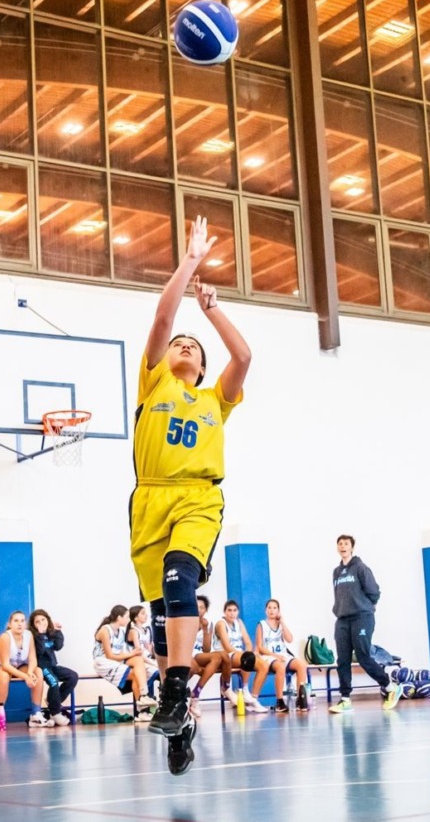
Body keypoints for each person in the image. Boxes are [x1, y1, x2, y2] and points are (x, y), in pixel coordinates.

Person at [129, 215, 250, 775]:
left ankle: (176, 689)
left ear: (201, 368)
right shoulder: (153, 380)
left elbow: (244, 358)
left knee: (181, 575)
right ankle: (180, 720)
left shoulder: (214, 401)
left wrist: (212, 310)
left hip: (198, 498)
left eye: (191, 347)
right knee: (160, 613)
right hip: (149, 500)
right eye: (177, 343)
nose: (181, 345)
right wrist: (190, 262)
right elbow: (160, 315)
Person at [328, 535, 400, 712]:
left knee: (363, 656)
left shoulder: (360, 568)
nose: (342, 546)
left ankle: (391, 687)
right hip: (342, 620)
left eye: (346, 544)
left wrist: (366, 608)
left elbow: (374, 592)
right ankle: (345, 700)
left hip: (361, 618)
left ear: (352, 547)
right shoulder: (336, 572)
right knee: (342, 660)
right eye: (340, 544)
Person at [91, 605, 154, 713]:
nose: (129, 620)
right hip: (103, 662)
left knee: (138, 661)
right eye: (127, 617)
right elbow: (109, 655)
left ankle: (143, 697)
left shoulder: (122, 631)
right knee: (135, 674)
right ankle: (142, 706)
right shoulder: (105, 630)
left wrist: (139, 652)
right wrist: (131, 653)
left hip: (116, 659)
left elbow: (125, 652)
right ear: (119, 618)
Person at [0, 610, 39, 729]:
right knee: (4, 675)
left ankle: (36, 714)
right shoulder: (5, 637)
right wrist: (25, 677)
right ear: (10, 624)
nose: (19, 624)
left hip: (17, 666)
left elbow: (33, 659)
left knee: (38, 672)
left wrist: (30, 673)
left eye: (22, 621)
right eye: (16, 621)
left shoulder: (29, 635)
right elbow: (5, 665)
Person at [213, 600, 270, 712]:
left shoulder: (239, 622)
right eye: (229, 610)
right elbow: (227, 646)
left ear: (238, 612)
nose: (232, 613)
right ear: (224, 612)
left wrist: (248, 653)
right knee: (248, 658)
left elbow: (248, 642)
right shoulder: (221, 624)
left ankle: (253, 699)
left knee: (264, 665)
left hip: (239, 655)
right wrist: (246, 655)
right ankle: (244, 688)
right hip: (225, 655)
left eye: (234, 610)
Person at [257, 598, 310, 711]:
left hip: (282, 655)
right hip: (268, 656)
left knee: (301, 665)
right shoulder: (261, 625)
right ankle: (280, 701)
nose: (272, 610)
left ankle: (300, 697)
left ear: (278, 611)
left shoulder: (281, 625)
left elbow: (290, 639)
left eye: (274, 608)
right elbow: (260, 648)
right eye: (269, 608)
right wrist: (275, 656)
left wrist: (282, 622)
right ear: (265, 610)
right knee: (280, 666)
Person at [30, 609, 77, 726]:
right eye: (37, 622)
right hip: (42, 667)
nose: (41, 623)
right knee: (54, 682)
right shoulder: (34, 636)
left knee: (73, 676)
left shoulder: (50, 633)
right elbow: (39, 651)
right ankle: (55, 712)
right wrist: (40, 634)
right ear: (33, 625)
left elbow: (58, 646)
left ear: (48, 620)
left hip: (53, 665)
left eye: (43, 620)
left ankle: (53, 702)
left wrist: (58, 631)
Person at [188, 594, 231, 717]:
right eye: (197, 606)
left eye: (202, 607)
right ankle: (225, 688)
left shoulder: (208, 624)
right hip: (189, 655)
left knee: (220, 656)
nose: (199, 609)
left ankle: (196, 692)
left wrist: (206, 630)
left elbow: (206, 649)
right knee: (219, 657)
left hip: (200, 655)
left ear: (205, 609)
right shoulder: (188, 621)